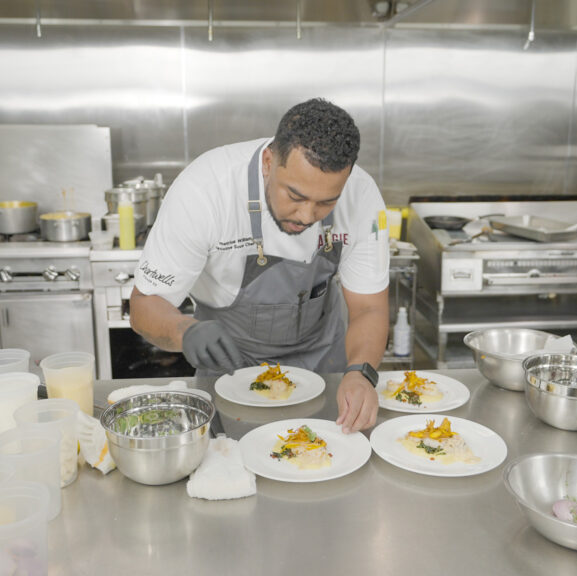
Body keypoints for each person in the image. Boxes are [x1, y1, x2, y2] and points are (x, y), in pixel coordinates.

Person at [130, 98, 389, 433]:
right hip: (231, 371)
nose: (307, 216)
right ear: (268, 161)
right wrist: (185, 330)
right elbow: (144, 305)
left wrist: (360, 373)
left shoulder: (363, 195)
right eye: (295, 196)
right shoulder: (205, 191)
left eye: (326, 202)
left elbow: (369, 307)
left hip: (326, 368)